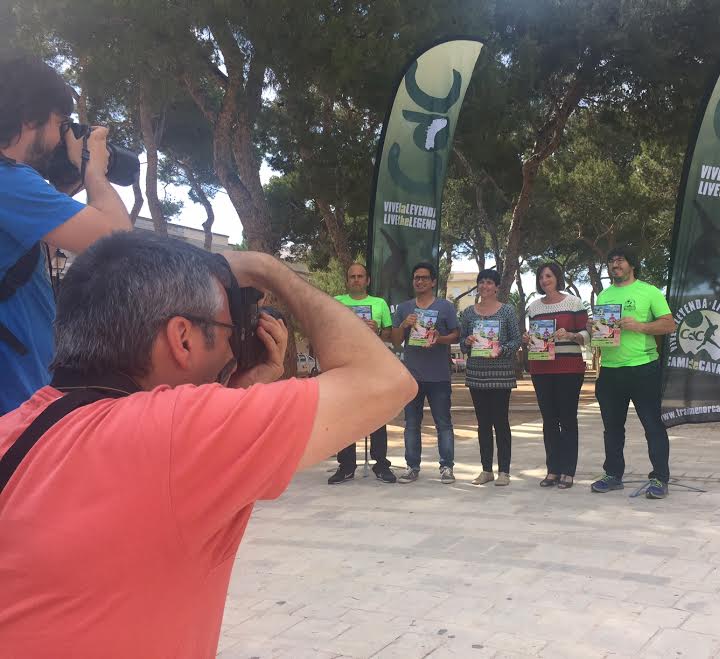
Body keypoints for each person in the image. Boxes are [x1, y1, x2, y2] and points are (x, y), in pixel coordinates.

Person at [0, 232, 416, 657]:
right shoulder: (174, 435)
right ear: (183, 339)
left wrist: (237, 392)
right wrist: (268, 269)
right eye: (231, 330)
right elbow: (385, 380)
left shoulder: (16, 427)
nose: (237, 347)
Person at [0, 53, 132, 415]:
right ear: (31, 117)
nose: (62, 138)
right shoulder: (8, 180)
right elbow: (121, 244)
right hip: (14, 413)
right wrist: (94, 171)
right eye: (60, 124)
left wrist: (61, 192)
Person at [590, 246, 676, 499]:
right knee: (612, 428)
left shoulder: (649, 292)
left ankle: (660, 478)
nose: (615, 265)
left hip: (644, 369)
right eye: (610, 261)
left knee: (653, 426)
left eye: (620, 260)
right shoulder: (604, 296)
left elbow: (669, 324)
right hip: (610, 371)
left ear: (632, 265)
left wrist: (640, 326)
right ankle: (613, 475)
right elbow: (601, 333)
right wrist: (594, 328)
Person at [391, 262, 460, 484]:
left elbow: (456, 335)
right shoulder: (404, 308)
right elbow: (396, 341)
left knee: (443, 423)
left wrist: (438, 339)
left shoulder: (446, 307)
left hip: (439, 376)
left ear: (433, 282)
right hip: (412, 377)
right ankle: (412, 467)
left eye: (424, 278)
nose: (419, 281)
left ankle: (447, 467)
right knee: (411, 424)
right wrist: (403, 325)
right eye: (416, 278)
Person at [329, 262, 396, 484]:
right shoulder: (337, 302)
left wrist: (377, 330)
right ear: (347, 280)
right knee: (346, 417)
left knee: (377, 415)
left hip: (373, 366)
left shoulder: (379, 304)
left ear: (367, 280)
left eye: (360, 276)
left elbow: (389, 335)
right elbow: (329, 332)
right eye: (352, 276)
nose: (356, 280)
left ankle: (381, 464)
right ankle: (346, 465)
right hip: (346, 367)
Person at [524, 262, 589, 489]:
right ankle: (553, 469)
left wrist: (570, 335)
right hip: (541, 369)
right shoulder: (533, 307)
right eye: (541, 277)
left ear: (557, 277)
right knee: (549, 421)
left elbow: (587, 334)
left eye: (549, 276)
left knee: (567, 419)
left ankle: (568, 471)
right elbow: (535, 335)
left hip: (568, 368)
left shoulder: (573, 302)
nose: (545, 280)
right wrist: (528, 338)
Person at [459, 269, 520, 486]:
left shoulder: (507, 312)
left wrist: (500, 349)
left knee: (501, 422)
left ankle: (504, 471)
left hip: (501, 375)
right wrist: (466, 342)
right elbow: (462, 344)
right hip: (476, 375)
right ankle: (486, 470)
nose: (485, 286)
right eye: (481, 282)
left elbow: (516, 341)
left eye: (489, 282)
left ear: (496, 287)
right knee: (483, 424)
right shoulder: (468, 313)